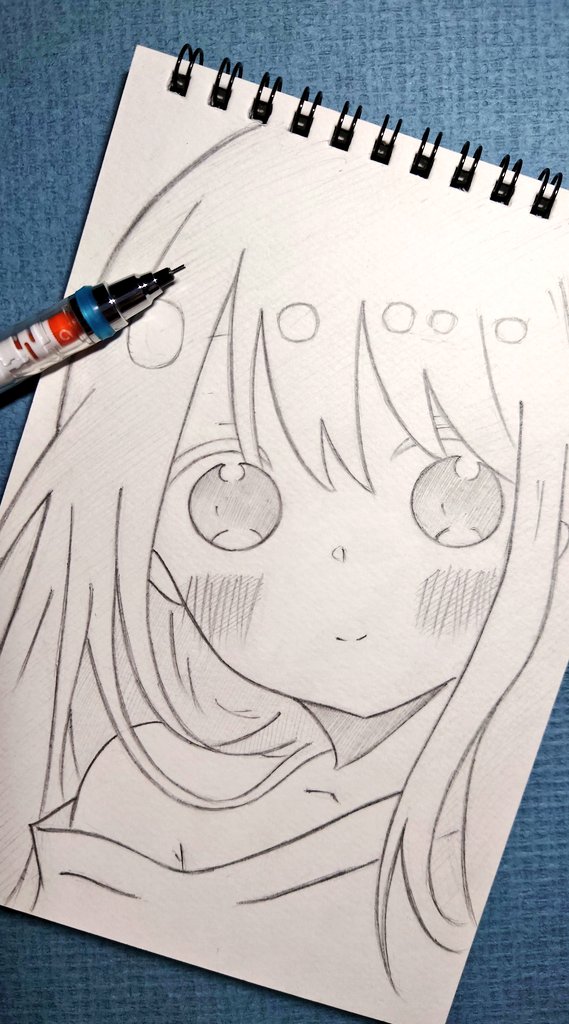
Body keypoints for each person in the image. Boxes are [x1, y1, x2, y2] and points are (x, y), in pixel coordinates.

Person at [1, 126, 568, 1012]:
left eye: (459, 492)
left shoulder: (470, 828)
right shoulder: (122, 787)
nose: (343, 567)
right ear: (123, 507)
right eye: (229, 495)